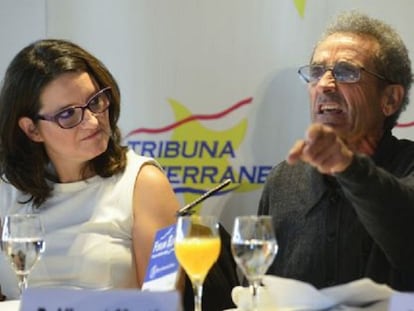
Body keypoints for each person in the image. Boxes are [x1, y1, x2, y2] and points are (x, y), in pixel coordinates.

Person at [0, 39, 239, 310]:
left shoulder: (143, 182)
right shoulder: (6, 191)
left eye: (95, 101)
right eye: (68, 114)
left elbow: (161, 304)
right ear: (31, 129)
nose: (92, 120)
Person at [258, 11, 414, 291]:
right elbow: (258, 285)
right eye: (317, 72)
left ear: (389, 99)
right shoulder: (283, 180)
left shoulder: (409, 165)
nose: (325, 85)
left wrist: (349, 167)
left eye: (345, 72)